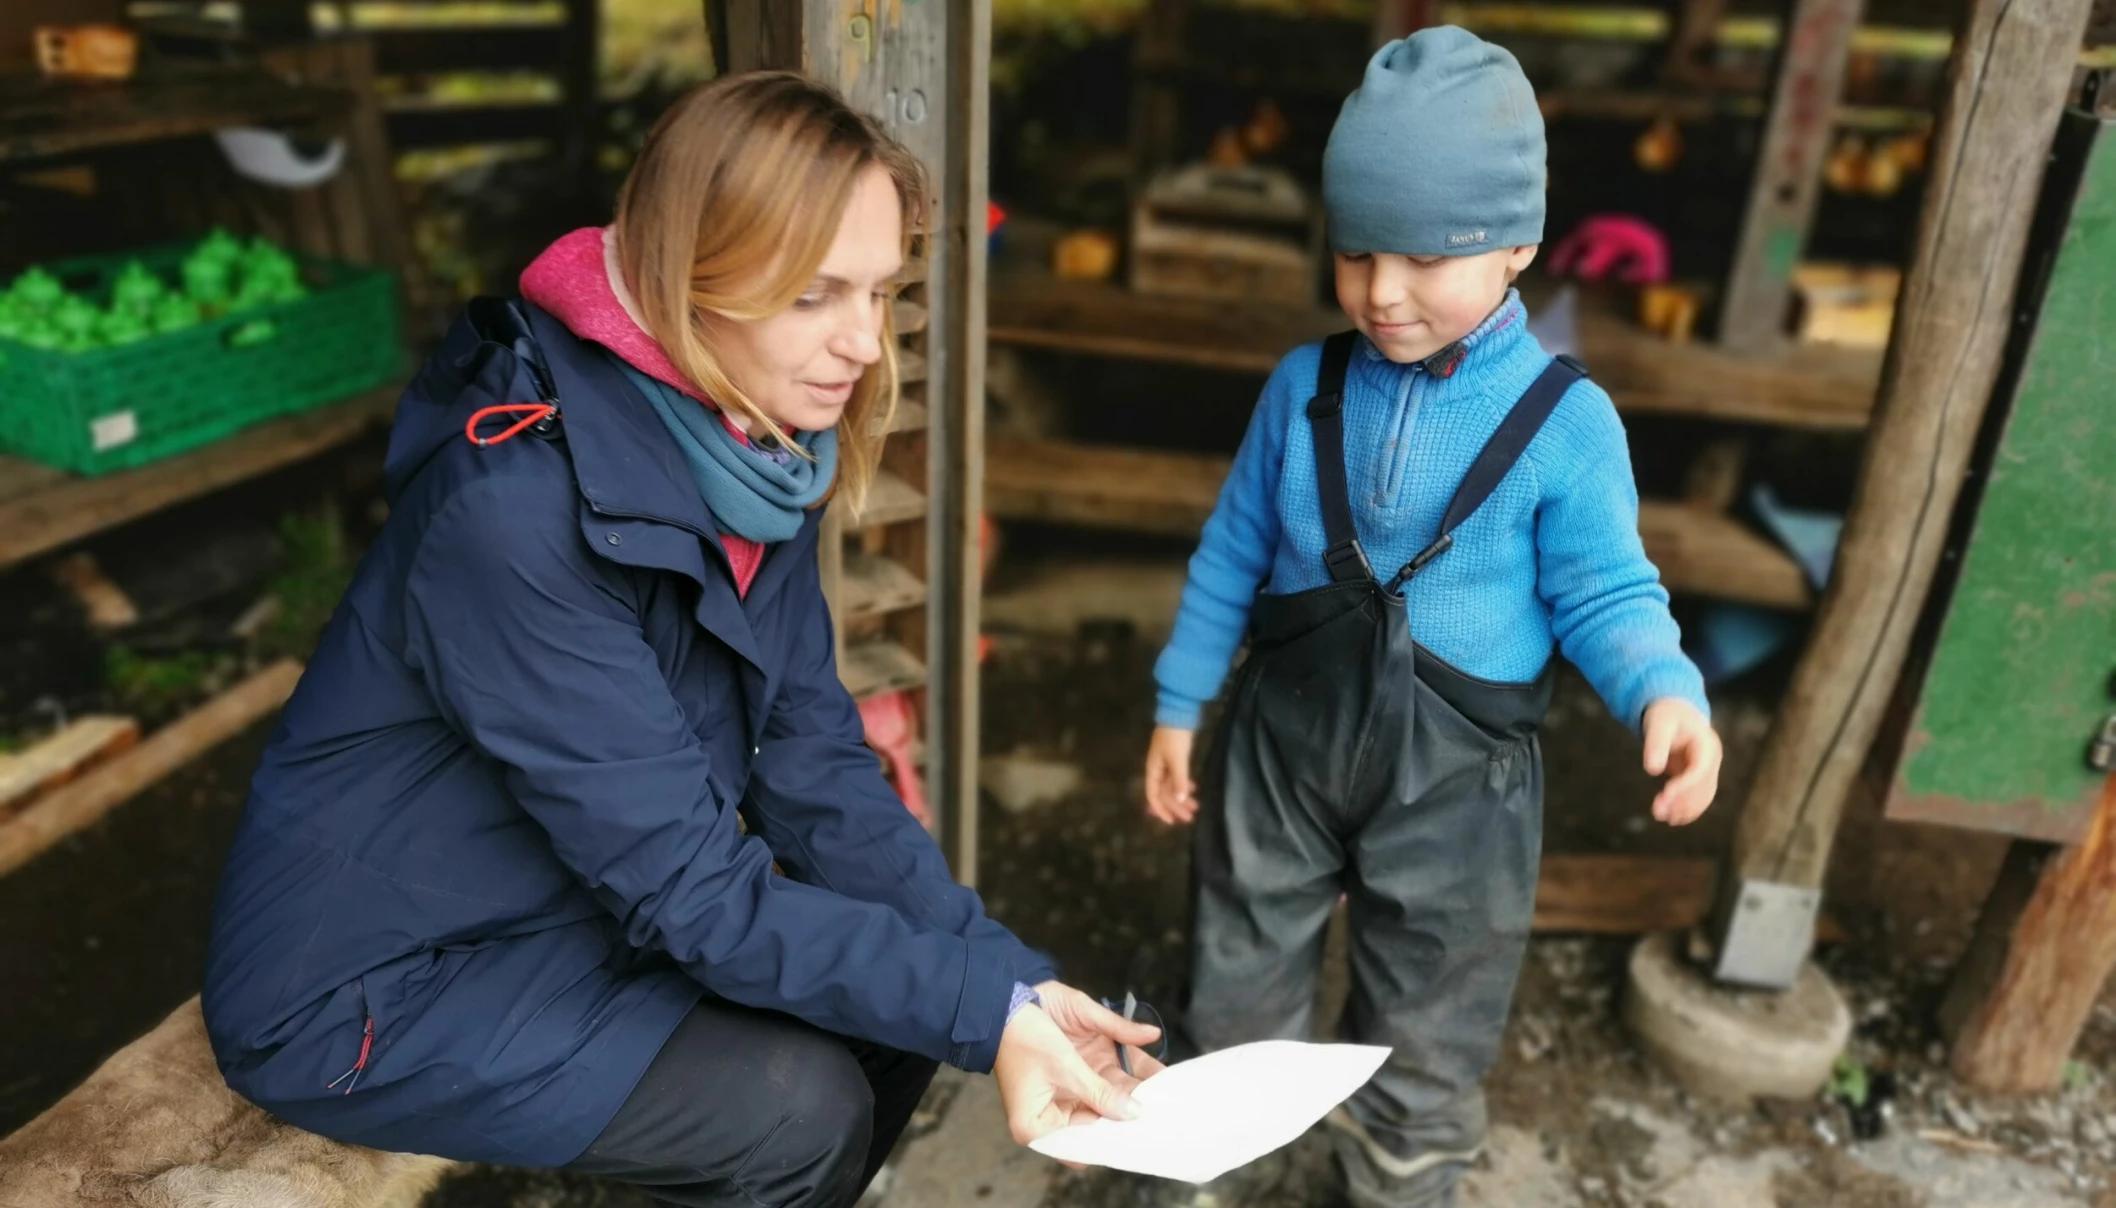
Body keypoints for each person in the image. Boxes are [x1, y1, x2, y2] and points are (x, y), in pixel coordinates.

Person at [202, 71, 1160, 1208]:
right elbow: (693, 894)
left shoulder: (754, 455)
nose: (861, 342)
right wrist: (978, 1004)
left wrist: (1012, 987)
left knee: (905, 1018)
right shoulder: (512, 511)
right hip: (372, 985)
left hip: (563, 904)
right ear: (689, 273)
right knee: (794, 1111)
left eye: (877, 293)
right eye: (815, 295)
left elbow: (817, 768)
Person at [1140, 27, 1723, 1208]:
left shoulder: (1567, 422)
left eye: (1422, 256)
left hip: (1460, 780)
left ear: (1518, 244)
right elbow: (1233, 549)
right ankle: (1201, 1159)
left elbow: (1606, 589)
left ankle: (1401, 1175)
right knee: (1237, 961)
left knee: (1433, 1006)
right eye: (1354, 251)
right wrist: (1176, 701)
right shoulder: (1301, 385)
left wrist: (1665, 689)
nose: (1381, 291)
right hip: (1283, 742)